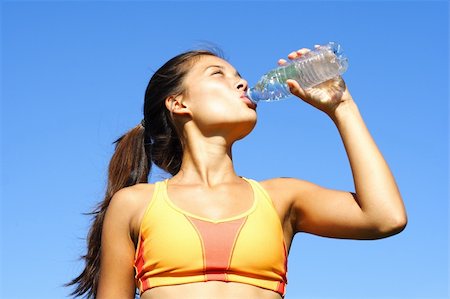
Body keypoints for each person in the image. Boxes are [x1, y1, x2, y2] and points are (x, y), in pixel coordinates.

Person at [67, 47, 407, 299]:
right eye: (219, 74)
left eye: (238, 75)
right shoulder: (133, 204)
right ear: (178, 103)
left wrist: (343, 108)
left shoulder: (280, 197)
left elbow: (384, 217)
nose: (242, 82)